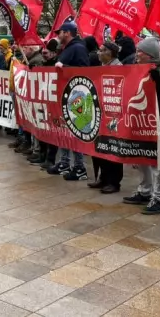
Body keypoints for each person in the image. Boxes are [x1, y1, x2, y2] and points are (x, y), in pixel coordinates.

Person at [122, 38, 160, 214]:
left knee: (157, 163)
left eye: (140, 51)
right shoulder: (138, 68)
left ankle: (158, 198)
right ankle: (145, 191)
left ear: (150, 55)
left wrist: (158, 79)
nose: (137, 54)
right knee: (141, 159)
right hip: (140, 121)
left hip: (156, 122)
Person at [47, 21, 90, 180]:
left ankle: (79, 167)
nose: (58, 35)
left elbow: (85, 71)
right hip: (65, 94)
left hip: (76, 96)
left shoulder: (78, 48)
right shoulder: (69, 48)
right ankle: (65, 162)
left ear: (67, 33)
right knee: (64, 130)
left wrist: (64, 66)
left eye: (60, 32)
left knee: (75, 132)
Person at [89, 41, 124, 194]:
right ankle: (103, 177)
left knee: (112, 147)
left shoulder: (119, 68)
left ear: (111, 53)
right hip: (100, 112)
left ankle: (114, 182)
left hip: (113, 114)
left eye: (103, 50)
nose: (99, 53)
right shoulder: (101, 67)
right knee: (100, 147)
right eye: (99, 50)